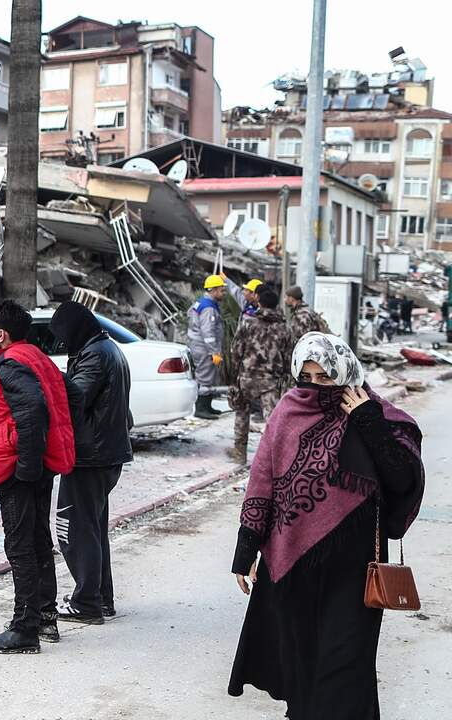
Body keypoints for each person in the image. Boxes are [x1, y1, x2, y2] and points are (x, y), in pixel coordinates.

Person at [228, 333, 424, 719]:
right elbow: (263, 481)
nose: (316, 386)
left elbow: (403, 481)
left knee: (345, 668)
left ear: (345, 372)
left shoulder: (378, 415)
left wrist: (367, 420)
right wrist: (245, 550)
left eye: (326, 377)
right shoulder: (287, 411)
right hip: (293, 567)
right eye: (309, 376)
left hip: (355, 572)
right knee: (302, 669)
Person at [0, 300, 75, 654]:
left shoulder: (12, 363)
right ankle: (44, 617)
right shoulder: (37, 356)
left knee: (20, 546)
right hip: (37, 464)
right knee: (36, 541)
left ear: (1, 334)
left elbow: (32, 411)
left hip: (20, 468)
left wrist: (26, 470)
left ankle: (24, 629)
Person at [49, 301, 131, 625]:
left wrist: (49, 378)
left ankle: (86, 603)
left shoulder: (95, 356)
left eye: (63, 335)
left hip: (90, 456)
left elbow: (73, 398)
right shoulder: (106, 349)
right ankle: (100, 598)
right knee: (93, 529)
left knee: (73, 529)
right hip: (106, 453)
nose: (62, 342)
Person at [228, 288, 294, 464]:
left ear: (260, 303)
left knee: (242, 414)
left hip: (246, 377)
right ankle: (273, 459)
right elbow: (289, 357)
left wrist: (235, 375)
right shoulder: (284, 328)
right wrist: (286, 378)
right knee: (272, 420)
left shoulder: (247, 323)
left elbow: (235, 351)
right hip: (270, 381)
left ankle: (239, 453)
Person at [188, 274, 227, 419]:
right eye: (222, 291)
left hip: (200, 346)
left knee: (209, 376)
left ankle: (207, 406)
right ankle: (201, 409)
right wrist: (214, 352)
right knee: (205, 378)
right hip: (205, 348)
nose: (223, 293)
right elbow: (208, 332)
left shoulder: (201, 303)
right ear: (214, 290)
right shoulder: (208, 308)